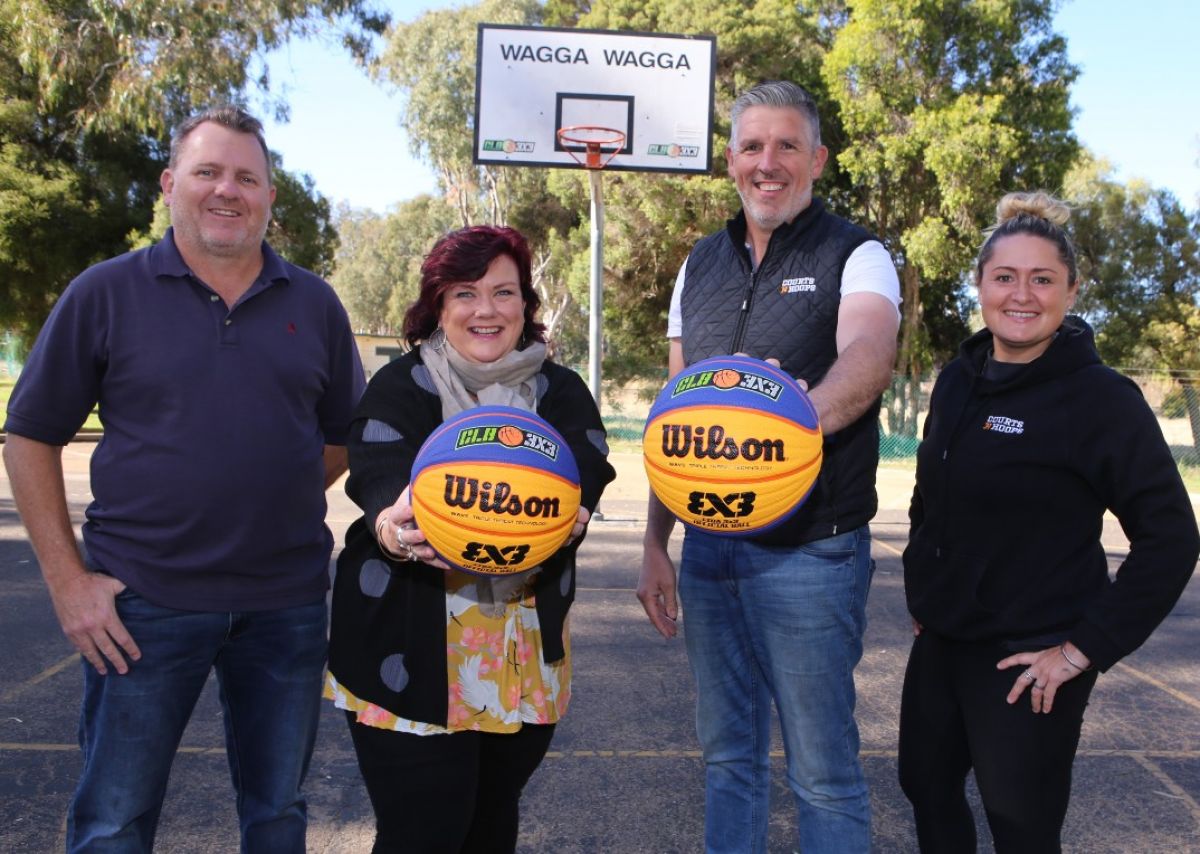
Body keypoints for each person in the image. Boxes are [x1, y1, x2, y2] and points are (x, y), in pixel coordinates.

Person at [2, 105, 365, 852]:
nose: (226, 190)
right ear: (170, 184)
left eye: (246, 177)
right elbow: (30, 436)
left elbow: (340, 437)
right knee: (114, 820)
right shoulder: (104, 292)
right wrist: (69, 581)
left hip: (286, 606)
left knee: (277, 814)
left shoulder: (316, 304)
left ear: (270, 197)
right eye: (207, 172)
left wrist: (268, 496)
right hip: (141, 606)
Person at [637, 80, 901, 853]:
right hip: (710, 551)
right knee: (728, 761)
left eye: (787, 145)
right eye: (752, 146)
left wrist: (780, 426)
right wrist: (659, 541)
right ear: (730, 161)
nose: (769, 162)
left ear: (817, 158)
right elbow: (674, 412)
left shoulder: (856, 252)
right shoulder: (700, 263)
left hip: (811, 549)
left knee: (822, 773)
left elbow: (869, 355)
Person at [898, 192, 1200, 852]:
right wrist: (925, 583)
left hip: (1031, 659)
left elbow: (1172, 537)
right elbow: (932, 491)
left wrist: (1082, 649)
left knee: (1020, 827)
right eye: (1005, 277)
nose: (1022, 295)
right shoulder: (957, 380)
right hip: (944, 642)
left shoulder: (1101, 400)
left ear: (1071, 290)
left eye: (1043, 279)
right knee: (925, 787)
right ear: (980, 284)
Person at [325, 225, 615, 854]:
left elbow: (589, 458)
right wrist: (392, 524)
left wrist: (580, 505)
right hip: (408, 649)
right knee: (423, 834)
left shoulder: (557, 390)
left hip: (520, 656)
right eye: (465, 293)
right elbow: (375, 462)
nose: (486, 310)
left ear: (525, 306)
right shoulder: (404, 384)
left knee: (490, 826)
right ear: (439, 305)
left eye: (503, 292)